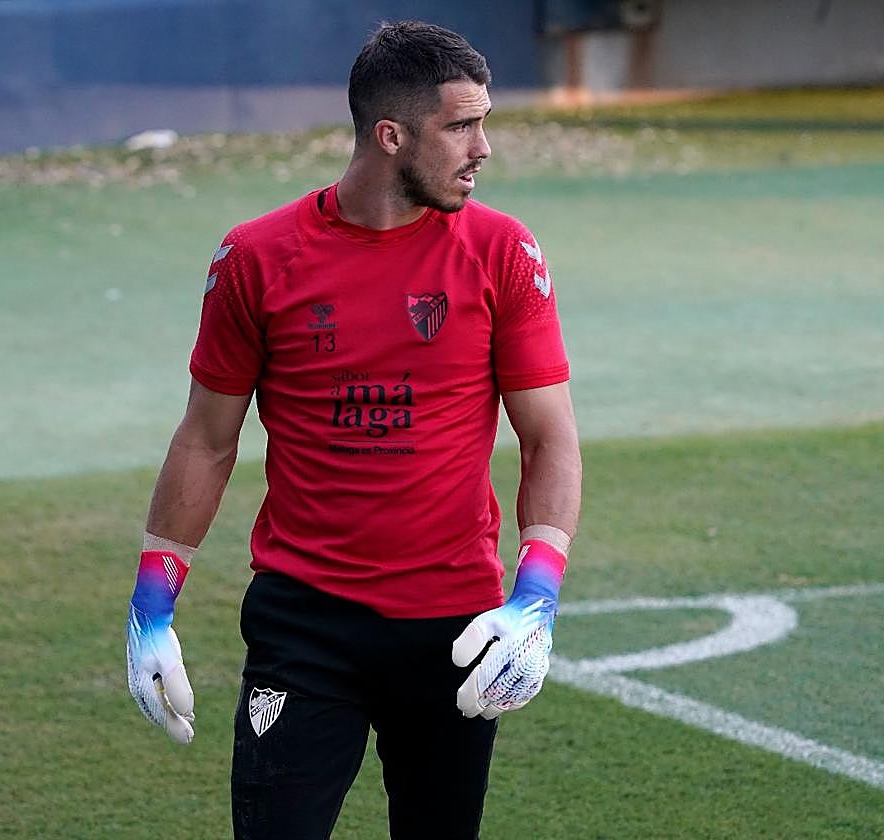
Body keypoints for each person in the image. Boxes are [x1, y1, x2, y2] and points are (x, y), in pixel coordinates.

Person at [125, 20, 582, 839]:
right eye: (461, 127)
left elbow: (548, 435)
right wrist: (152, 606)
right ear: (390, 134)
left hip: (456, 626)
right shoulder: (257, 258)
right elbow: (206, 438)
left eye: (485, 123)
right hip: (305, 626)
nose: (483, 148)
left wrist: (538, 595)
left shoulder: (503, 251)